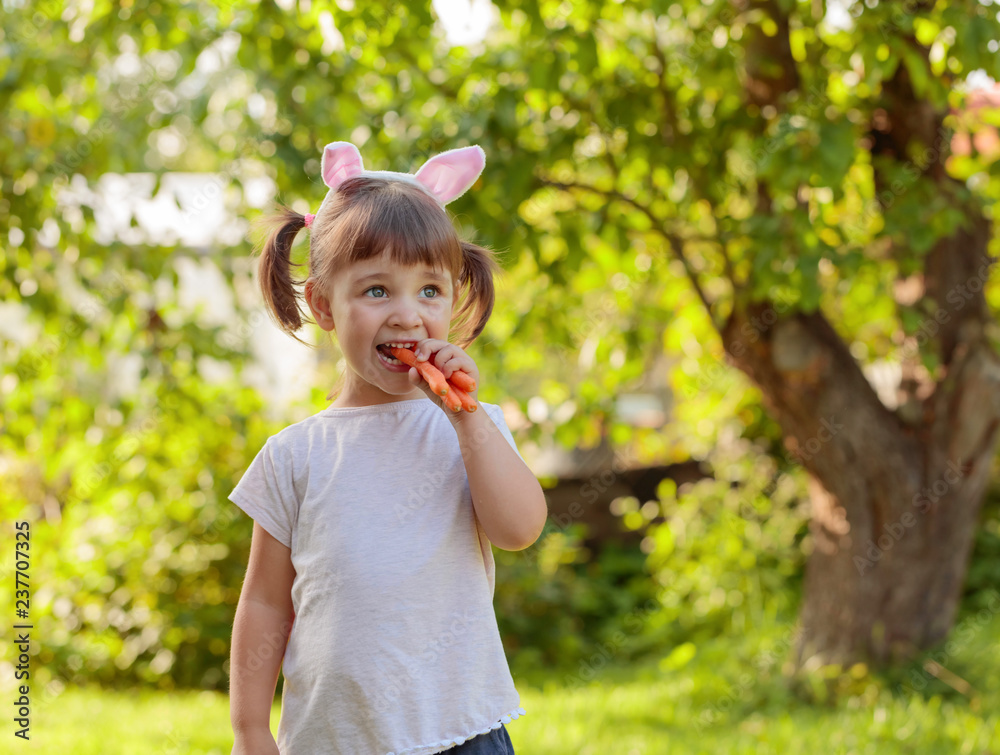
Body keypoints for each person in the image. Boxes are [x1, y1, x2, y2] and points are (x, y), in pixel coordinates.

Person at [228, 141, 548, 755]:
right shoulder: (296, 455)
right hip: (334, 740)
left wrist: (467, 422)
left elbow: (519, 529)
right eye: (377, 291)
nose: (407, 316)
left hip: (462, 732)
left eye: (429, 291)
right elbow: (265, 602)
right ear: (324, 304)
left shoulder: (473, 429)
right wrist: (249, 730)